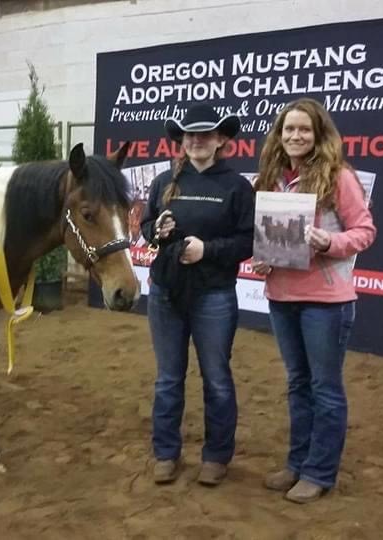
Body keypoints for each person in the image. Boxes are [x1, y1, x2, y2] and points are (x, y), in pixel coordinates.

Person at [252, 97, 376, 503]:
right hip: (282, 297)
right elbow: (268, 237)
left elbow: (364, 230)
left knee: (325, 388)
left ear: (319, 134)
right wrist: (264, 261)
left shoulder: (339, 177)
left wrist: (331, 241)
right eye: (289, 129)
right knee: (297, 383)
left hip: (326, 302)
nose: (295, 136)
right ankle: (296, 463)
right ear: (279, 134)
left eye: (304, 129)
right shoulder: (270, 177)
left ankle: (320, 472)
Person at [140, 103, 254, 486]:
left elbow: (246, 242)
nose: (196, 140)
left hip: (214, 294)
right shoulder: (163, 182)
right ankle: (166, 453)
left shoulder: (236, 187)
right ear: (181, 140)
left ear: (221, 139)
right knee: (168, 378)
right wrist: (157, 229)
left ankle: (216, 456)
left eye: (205, 134)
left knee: (217, 378)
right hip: (166, 292)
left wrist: (207, 250)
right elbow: (145, 227)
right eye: (190, 134)